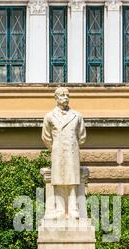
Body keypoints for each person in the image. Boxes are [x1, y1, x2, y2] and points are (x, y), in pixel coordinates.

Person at [42, 87, 86, 219]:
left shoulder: (77, 116)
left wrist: (73, 145)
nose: (65, 97)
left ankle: (73, 209)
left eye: (67, 95)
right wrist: (55, 147)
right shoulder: (49, 116)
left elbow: (82, 136)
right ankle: (60, 210)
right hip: (58, 152)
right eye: (62, 95)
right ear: (56, 98)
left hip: (72, 152)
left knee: (72, 180)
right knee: (59, 180)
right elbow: (46, 137)